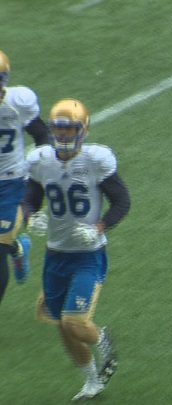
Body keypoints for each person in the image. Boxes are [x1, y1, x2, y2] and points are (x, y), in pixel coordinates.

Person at [22, 98, 131, 401]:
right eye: (59, 128)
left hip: (87, 255)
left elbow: (122, 201)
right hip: (55, 255)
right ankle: (92, 381)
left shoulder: (96, 160)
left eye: (70, 129)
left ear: (83, 130)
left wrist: (98, 226)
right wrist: (32, 216)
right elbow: (29, 197)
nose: (64, 135)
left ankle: (103, 340)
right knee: (62, 326)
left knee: (74, 322)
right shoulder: (42, 159)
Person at [0, 49, 50, 306]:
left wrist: (37, 180)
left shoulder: (17, 102)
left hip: (8, 184)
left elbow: (42, 136)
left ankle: (10, 246)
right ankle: (18, 247)